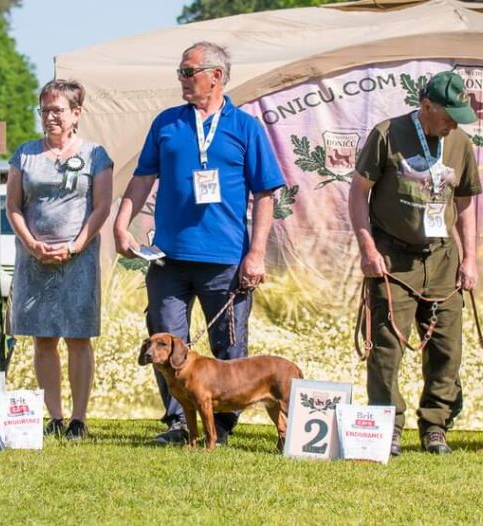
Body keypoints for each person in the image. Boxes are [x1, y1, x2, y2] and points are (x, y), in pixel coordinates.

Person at [114, 41, 285, 446]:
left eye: (188, 72)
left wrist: (256, 253)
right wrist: (122, 225)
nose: (182, 79)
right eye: (180, 72)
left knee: (229, 347)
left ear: (217, 76)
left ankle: (220, 428)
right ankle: (180, 426)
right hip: (168, 259)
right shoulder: (167, 123)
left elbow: (265, 194)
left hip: (225, 260)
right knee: (165, 346)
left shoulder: (245, 128)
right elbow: (142, 178)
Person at [348, 70, 481, 455]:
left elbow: (466, 202)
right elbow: (359, 193)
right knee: (387, 346)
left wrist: (470, 258)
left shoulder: (460, 143)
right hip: (393, 258)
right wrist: (367, 249)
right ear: (426, 107)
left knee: (446, 347)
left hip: (442, 259)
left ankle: (435, 424)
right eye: (449, 113)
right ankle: (386, 426)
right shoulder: (387, 134)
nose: (455, 121)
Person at [5, 80, 113, 441]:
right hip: (34, 258)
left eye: (58, 110)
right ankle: (54, 416)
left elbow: (101, 207)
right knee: (44, 338)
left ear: (76, 114)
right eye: (45, 110)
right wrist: (32, 244)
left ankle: (79, 419)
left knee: (78, 338)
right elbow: (13, 207)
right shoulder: (24, 154)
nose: (50, 117)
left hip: (78, 258)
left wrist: (76, 246)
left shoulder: (97, 155)